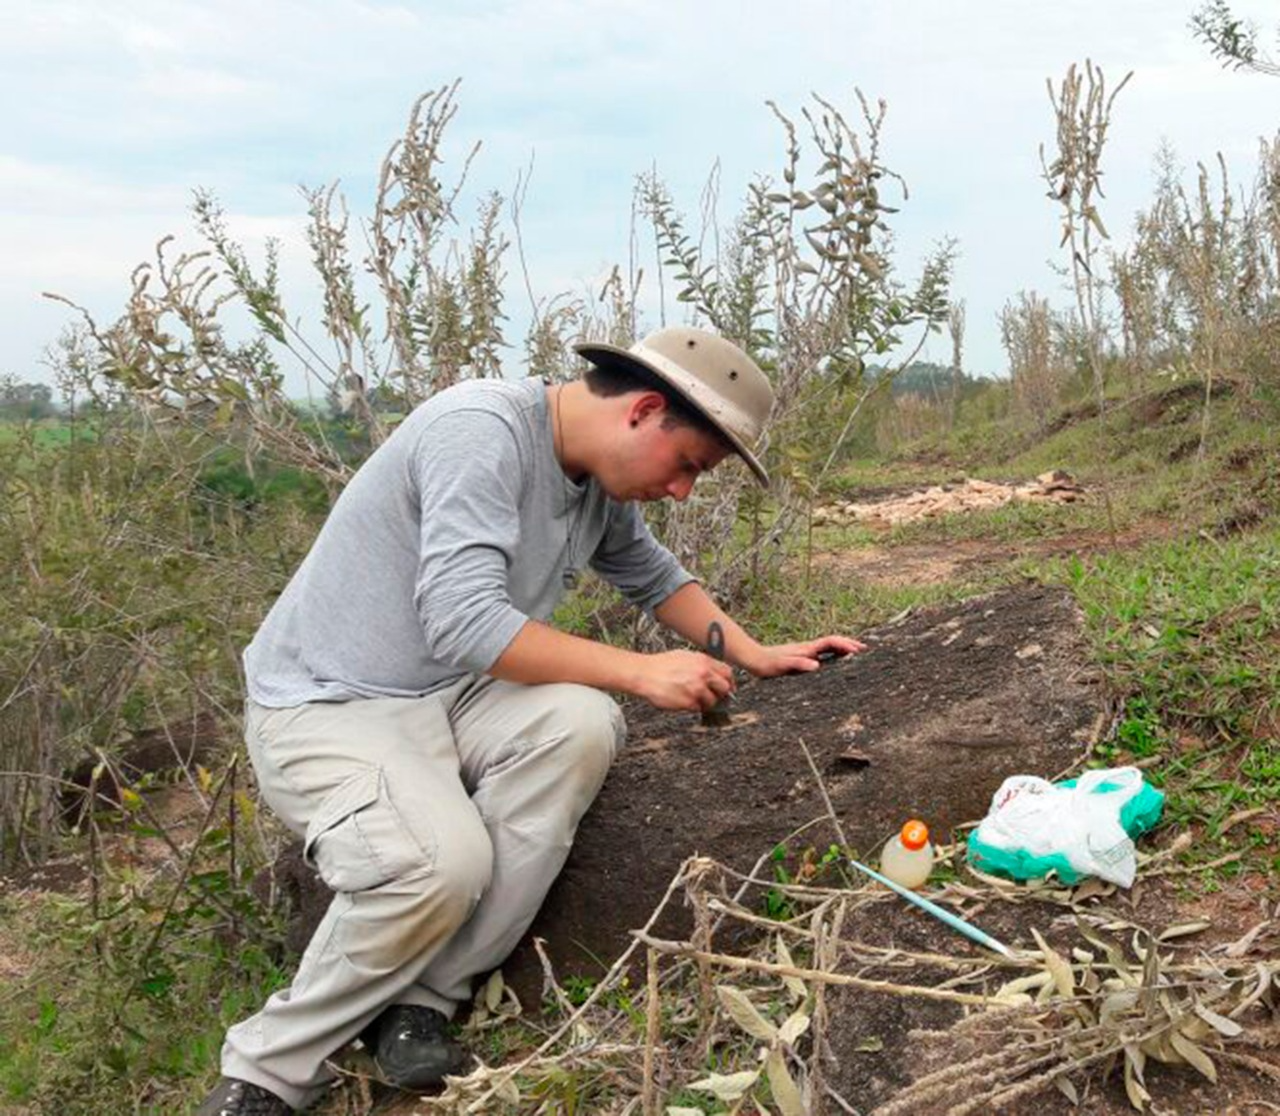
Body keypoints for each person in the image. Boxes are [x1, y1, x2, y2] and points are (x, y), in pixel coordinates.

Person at [197, 326, 865, 1114]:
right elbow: (462, 620)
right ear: (644, 410)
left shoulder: (592, 478)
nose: (684, 489)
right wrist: (642, 670)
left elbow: (649, 573)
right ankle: (266, 1077)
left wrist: (751, 652)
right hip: (332, 701)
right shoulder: (478, 431)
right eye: (688, 464)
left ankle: (423, 1001)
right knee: (438, 866)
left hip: (450, 695)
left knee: (581, 724)